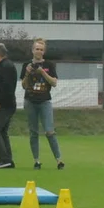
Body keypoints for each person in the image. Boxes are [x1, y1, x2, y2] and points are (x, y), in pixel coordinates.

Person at [20, 38, 65, 170]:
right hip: (30, 101)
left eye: (41, 49)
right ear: (32, 50)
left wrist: (43, 72)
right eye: (36, 49)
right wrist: (28, 74)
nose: (38, 51)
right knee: (33, 132)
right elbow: (23, 85)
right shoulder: (26, 65)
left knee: (49, 131)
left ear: (44, 52)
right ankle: (37, 161)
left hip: (45, 100)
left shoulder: (49, 65)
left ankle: (58, 160)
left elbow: (54, 83)